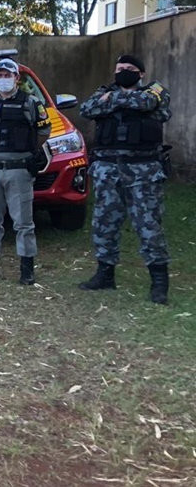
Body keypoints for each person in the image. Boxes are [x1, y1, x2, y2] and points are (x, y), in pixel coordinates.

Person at [79, 54, 172, 304]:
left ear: (140, 74)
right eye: (119, 69)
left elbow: (147, 103)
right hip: (108, 171)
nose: (123, 72)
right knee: (104, 225)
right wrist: (113, 100)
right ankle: (105, 275)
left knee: (149, 227)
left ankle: (159, 283)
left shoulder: (156, 90)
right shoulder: (101, 92)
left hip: (143, 171)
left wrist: (112, 100)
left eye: (129, 69)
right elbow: (87, 109)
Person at [0, 59, 51, 283]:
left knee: (23, 222)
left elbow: (44, 131)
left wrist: (26, 150)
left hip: (19, 170)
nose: (3, 79)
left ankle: (26, 269)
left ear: (17, 78)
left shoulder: (31, 102)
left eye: (7, 75)